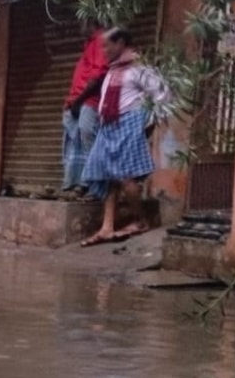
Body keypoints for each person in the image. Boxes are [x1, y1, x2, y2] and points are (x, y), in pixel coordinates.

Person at [79, 28, 171, 246]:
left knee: (125, 176)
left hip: (127, 123)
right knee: (108, 177)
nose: (103, 50)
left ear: (120, 42)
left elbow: (163, 95)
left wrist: (148, 123)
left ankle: (140, 220)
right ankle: (106, 227)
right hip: (108, 126)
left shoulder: (139, 68)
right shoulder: (113, 70)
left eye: (107, 45)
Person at [63, 25, 109, 197]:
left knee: (88, 140)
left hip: (88, 101)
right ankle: (80, 184)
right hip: (78, 101)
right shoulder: (89, 43)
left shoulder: (99, 40)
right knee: (77, 144)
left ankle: (94, 187)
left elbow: (97, 76)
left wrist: (79, 100)